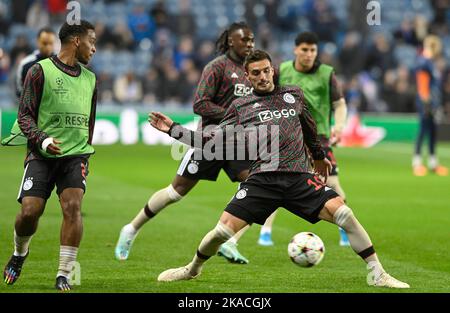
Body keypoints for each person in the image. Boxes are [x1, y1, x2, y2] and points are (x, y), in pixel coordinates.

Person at [149, 50, 409, 289]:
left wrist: (319, 157)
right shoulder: (240, 107)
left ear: (272, 70)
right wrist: (174, 130)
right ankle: (192, 269)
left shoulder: (293, 94)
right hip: (262, 180)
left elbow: (309, 128)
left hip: (299, 178)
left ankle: (377, 273)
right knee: (222, 232)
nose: (262, 77)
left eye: (266, 71)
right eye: (256, 73)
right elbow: (210, 140)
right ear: (248, 77)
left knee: (346, 215)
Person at [115, 22, 255, 264]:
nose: (250, 44)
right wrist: (233, 116)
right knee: (175, 192)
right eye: (245, 40)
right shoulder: (217, 67)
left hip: (238, 144)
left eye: (252, 40)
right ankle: (131, 228)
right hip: (210, 140)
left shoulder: (252, 70)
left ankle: (230, 242)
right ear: (232, 41)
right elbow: (200, 104)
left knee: (259, 188)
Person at [3, 20, 98, 291]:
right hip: (42, 155)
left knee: (72, 207)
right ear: (77, 41)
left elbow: (89, 124)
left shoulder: (91, 79)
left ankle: (63, 274)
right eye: (92, 42)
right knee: (30, 212)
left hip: (75, 156)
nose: (94, 48)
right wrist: (41, 140)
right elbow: (24, 117)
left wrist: (84, 156)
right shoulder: (39, 71)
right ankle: (20, 253)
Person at [258, 31, 350, 247]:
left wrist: (339, 125)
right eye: (305, 50)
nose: (309, 54)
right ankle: (265, 231)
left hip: (319, 139)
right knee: (278, 181)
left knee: (333, 184)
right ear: (295, 50)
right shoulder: (283, 71)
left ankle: (345, 227)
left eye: (313, 50)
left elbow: (340, 104)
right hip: (289, 137)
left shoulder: (327, 74)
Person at [412, 35, 448, 176]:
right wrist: (425, 101)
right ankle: (417, 163)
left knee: (433, 131)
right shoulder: (424, 62)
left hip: (432, 101)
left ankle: (433, 163)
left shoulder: (429, 62)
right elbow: (422, 83)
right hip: (426, 102)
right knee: (423, 130)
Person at [16, 27, 56, 98]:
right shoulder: (26, 64)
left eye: (51, 43)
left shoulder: (62, 63)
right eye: (44, 43)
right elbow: (19, 90)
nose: (48, 47)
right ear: (37, 41)